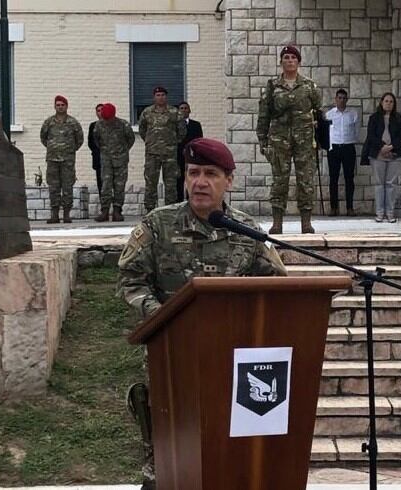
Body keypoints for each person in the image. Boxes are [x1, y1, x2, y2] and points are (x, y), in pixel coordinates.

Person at [117, 138, 287, 490]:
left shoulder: (245, 230)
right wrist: (163, 318)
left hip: (233, 362)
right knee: (167, 458)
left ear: (229, 181)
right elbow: (131, 282)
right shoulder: (157, 225)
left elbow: (277, 288)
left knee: (227, 455)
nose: (200, 182)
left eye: (211, 174)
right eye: (193, 173)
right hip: (171, 358)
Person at [256, 45, 322, 234]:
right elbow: (264, 115)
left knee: (305, 180)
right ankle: (277, 222)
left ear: (299, 62)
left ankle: (306, 222)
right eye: (286, 57)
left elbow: (319, 113)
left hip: (304, 141)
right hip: (279, 140)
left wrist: (320, 138)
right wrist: (263, 141)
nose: (290, 60)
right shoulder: (272, 85)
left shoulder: (309, 85)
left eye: (293, 57)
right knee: (279, 180)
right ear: (281, 61)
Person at [138, 86, 187, 213]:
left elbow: (182, 131)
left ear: (166, 97)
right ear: (154, 97)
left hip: (169, 154)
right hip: (152, 153)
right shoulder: (147, 112)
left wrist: (172, 143)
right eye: (158, 95)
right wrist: (150, 142)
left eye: (163, 95)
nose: (161, 97)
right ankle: (150, 209)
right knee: (150, 182)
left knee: (170, 183)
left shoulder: (174, 112)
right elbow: (142, 130)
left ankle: (170, 210)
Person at [361, 92, 401, 223]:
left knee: (390, 184)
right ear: (381, 102)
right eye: (386, 101)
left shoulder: (398, 118)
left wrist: (391, 147)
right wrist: (382, 147)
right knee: (380, 184)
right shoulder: (374, 118)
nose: (388, 104)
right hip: (378, 154)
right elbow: (371, 135)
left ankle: (390, 213)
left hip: (394, 154)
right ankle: (379, 213)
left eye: (391, 101)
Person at [40, 95, 84, 224]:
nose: (60, 107)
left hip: (67, 160)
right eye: (58, 105)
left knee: (67, 186)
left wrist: (69, 150)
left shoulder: (73, 122)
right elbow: (43, 137)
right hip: (52, 159)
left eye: (62, 105)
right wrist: (53, 148)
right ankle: (54, 214)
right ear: (54, 106)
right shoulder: (48, 122)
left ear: (66, 106)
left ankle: (66, 214)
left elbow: (79, 139)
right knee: (53, 186)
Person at [93, 103, 136, 222]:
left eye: (109, 119)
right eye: (105, 119)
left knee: (119, 186)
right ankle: (105, 211)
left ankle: (117, 211)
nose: (107, 122)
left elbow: (130, 139)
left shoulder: (123, 124)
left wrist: (123, 151)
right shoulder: (99, 125)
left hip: (121, 160)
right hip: (106, 159)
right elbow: (97, 140)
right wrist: (105, 151)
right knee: (106, 185)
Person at [325, 89, 360, 217]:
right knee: (333, 178)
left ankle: (350, 207)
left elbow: (356, 131)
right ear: (335, 99)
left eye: (344, 98)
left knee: (349, 178)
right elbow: (326, 132)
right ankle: (334, 207)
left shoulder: (353, 114)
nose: (342, 100)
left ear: (347, 99)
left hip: (348, 147)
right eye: (339, 98)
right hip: (334, 148)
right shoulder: (329, 114)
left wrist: (352, 141)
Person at [176, 101, 204, 202]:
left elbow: (199, 141)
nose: (184, 110)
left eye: (185, 108)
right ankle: (179, 203)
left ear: (189, 110)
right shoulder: (174, 126)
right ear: (178, 111)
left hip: (191, 157)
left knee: (191, 180)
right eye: (181, 108)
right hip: (177, 157)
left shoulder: (196, 125)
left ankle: (191, 202)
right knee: (178, 181)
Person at [87, 103, 104, 193]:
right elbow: (90, 142)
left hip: (111, 159)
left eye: (102, 110)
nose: (100, 112)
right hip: (98, 159)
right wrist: (97, 150)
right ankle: (103, 205)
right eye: (98, 110)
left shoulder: (112, 124)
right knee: (100, 183)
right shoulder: (93, 126)